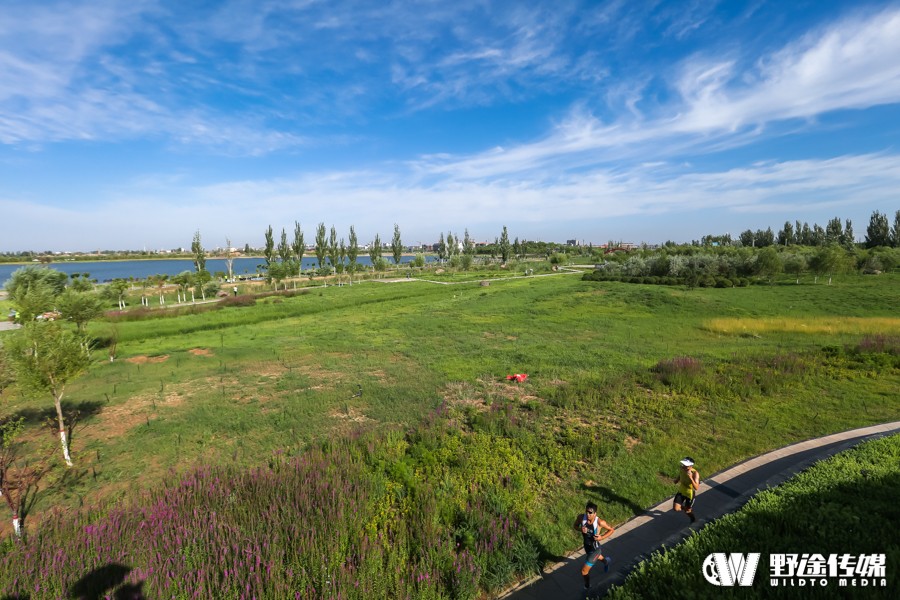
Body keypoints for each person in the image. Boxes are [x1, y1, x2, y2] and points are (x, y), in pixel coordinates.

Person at [573, 501, 614, 592]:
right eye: (587, 512)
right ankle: (606, 562)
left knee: (584, 571)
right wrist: (581, 530)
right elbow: (575, 526)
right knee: (598, 558)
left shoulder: (600, 522)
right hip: (587, 547)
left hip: (595, 549)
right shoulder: (581, 518)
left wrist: (601, 537)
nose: (588, 514)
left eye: (590, 513)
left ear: (595, 513)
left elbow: (611, 530)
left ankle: (587, 586)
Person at [673, 457, 700, 523]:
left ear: (691, 466)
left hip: (689, 494)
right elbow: (680, 474)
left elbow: (696, 487)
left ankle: (692, 517)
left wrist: (691, 478)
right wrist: (677, 480)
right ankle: (686, 508)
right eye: (683, 464)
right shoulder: (682, 469)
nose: (683, 466)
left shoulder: (695, 473)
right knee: (676, 508)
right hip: (681, 491)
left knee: (688, 511)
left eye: (685, 465)